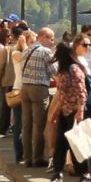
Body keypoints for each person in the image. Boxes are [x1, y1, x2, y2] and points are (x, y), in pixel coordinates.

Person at [47, 41, 91, 182]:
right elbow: (62, 93)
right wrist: (55, 112)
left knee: (77, 144)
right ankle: (57, 173)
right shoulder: (63, 71)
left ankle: (86, 175)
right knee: (60, 143)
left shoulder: (74, 69)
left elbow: (82, 92)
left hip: (75, 111)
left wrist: (80, 111)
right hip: (65, 110)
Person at [20, 27, 56, 168]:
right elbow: (56, 72)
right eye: (51, 38)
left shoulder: (27, 50)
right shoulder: (45, 52)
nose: (52, 42)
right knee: (39, 124)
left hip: (25, 88)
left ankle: (27, 158)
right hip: (39, 89)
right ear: (43, 37)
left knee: (26, 125)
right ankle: (37, 158)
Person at [9, 30, 33, 164]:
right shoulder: (16, 53)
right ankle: (19, 155)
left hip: (29, 89)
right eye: (32, 41)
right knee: (19, 123)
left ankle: (28, 153)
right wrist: (24, 46)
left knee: (29, 123)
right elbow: (26, 62)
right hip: (19, 90)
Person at [0, 28, 16, 138]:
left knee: (5, 107)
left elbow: (0, 66)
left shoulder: (8, 49)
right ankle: (16, 129)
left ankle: (2, 130)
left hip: (8, 81)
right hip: (22, 83)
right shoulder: (26, 49)